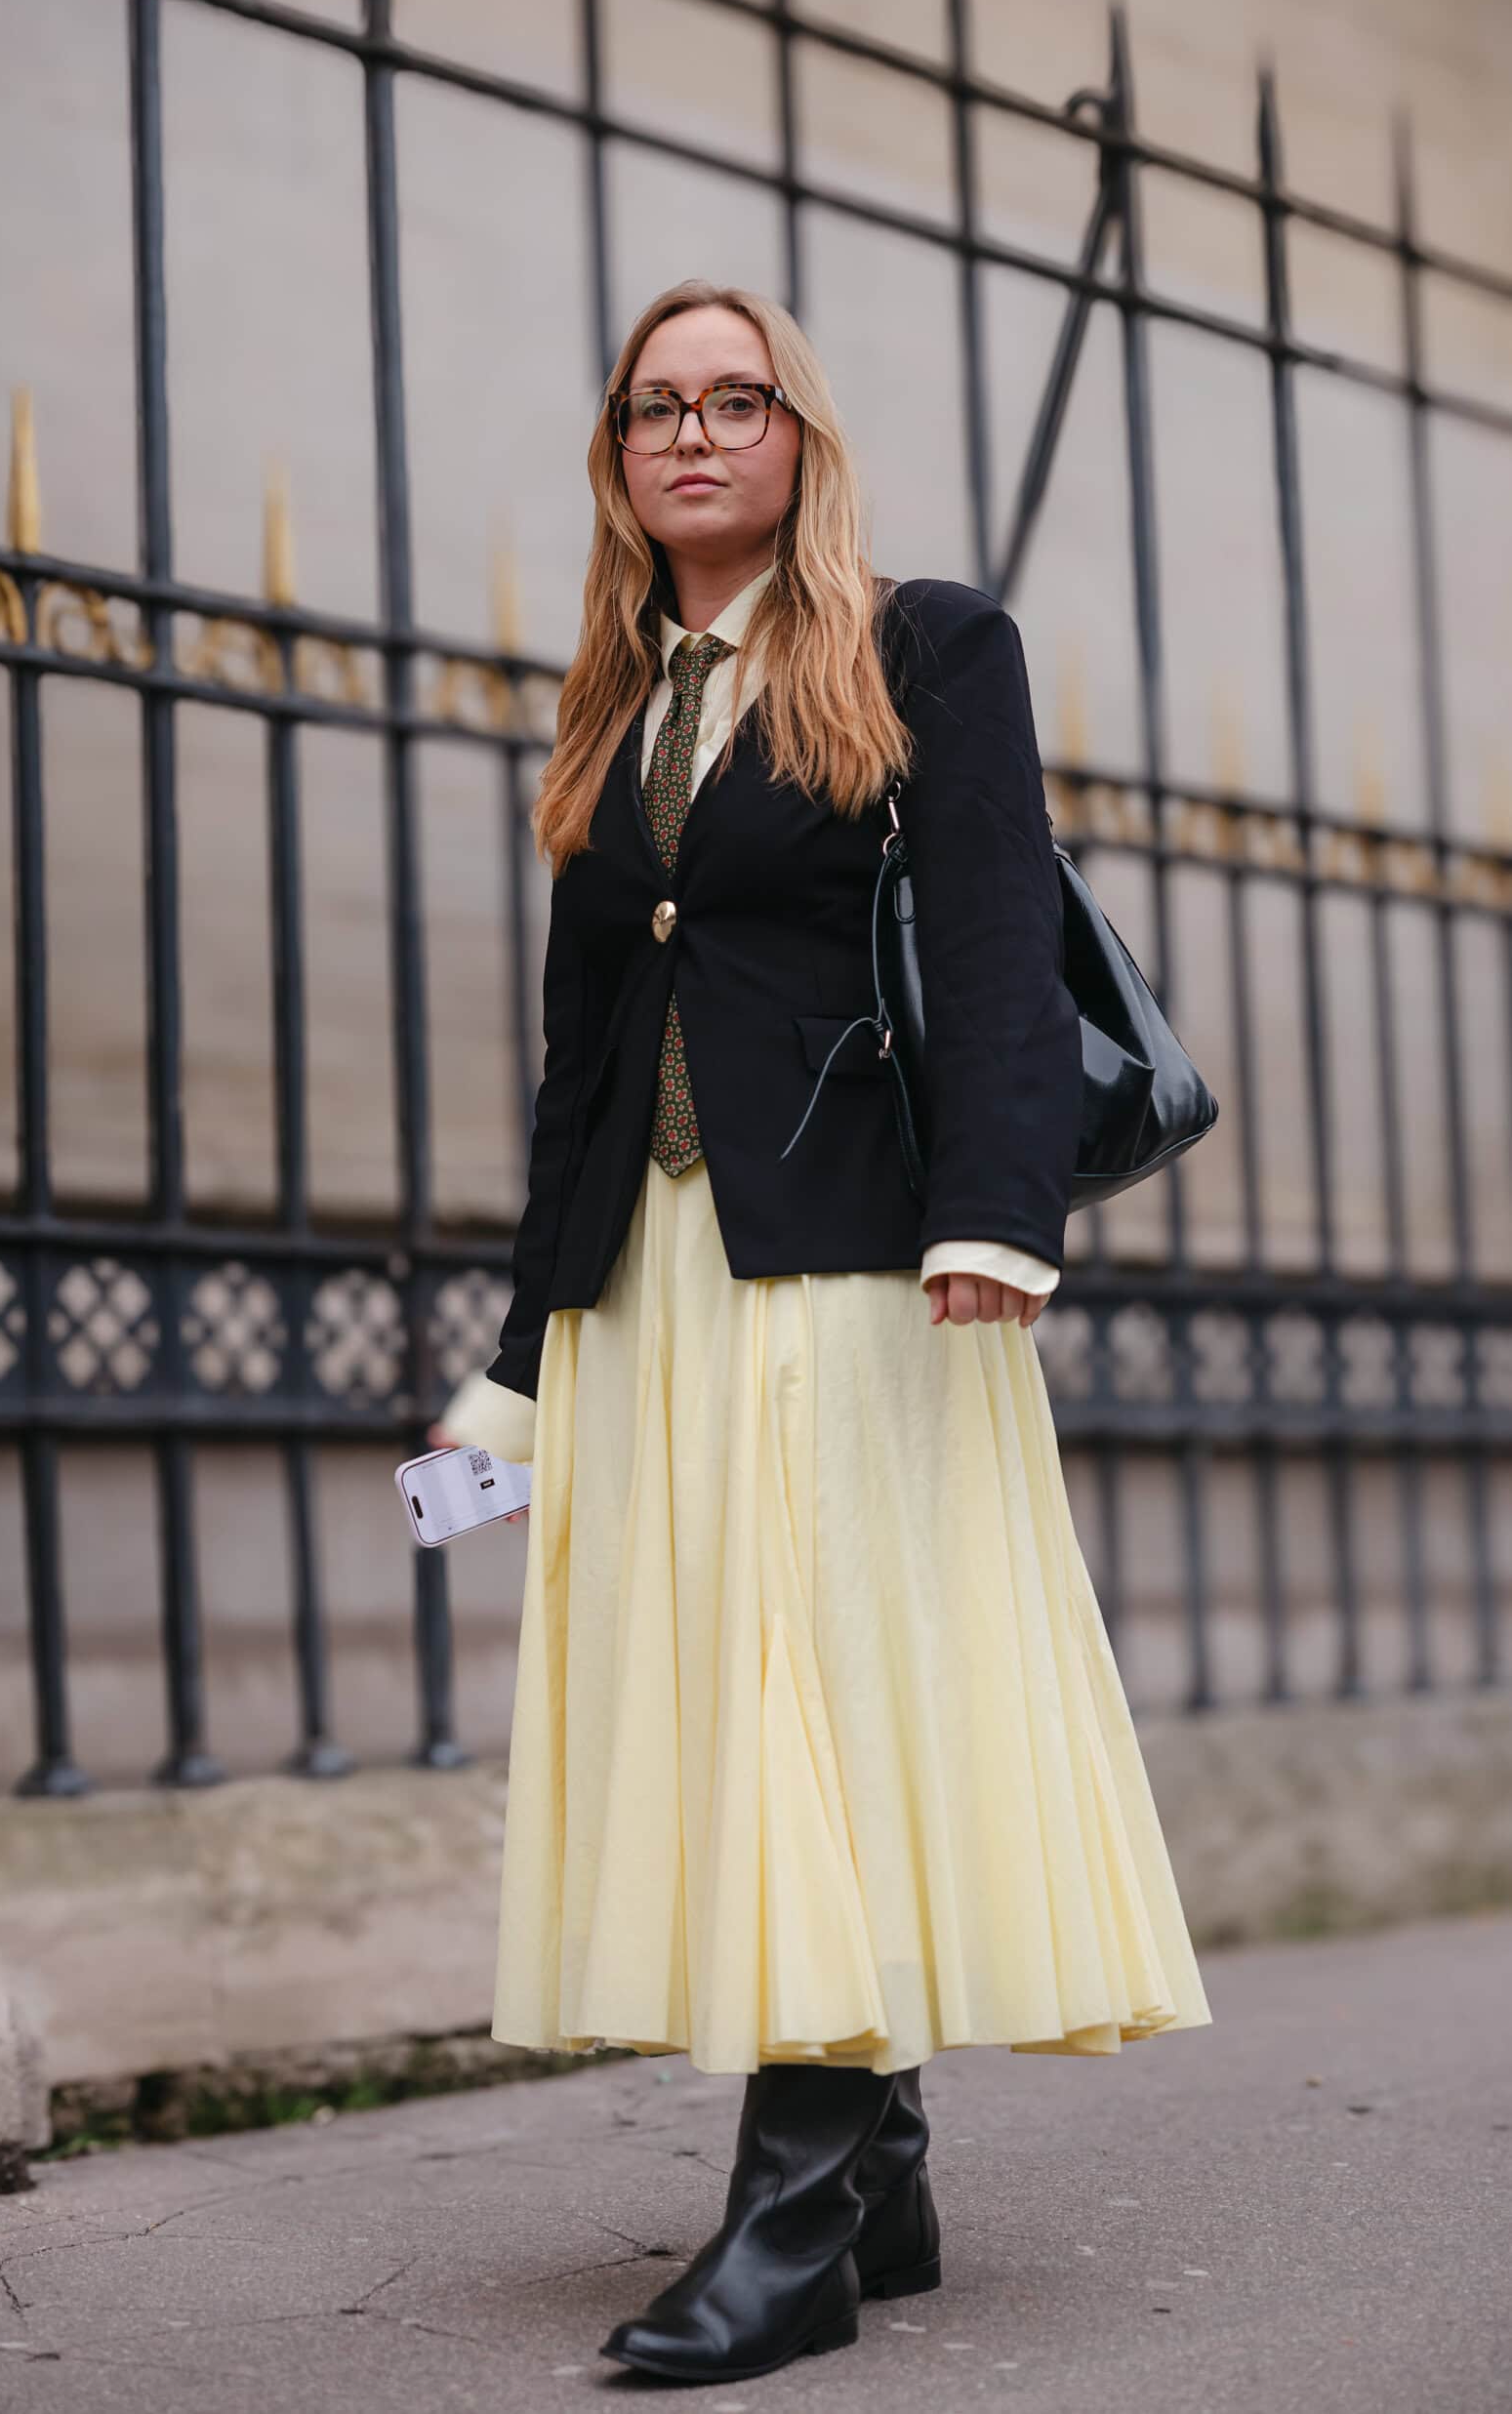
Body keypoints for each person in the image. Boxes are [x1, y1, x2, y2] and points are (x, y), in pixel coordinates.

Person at [429, 277, 1212, 2387]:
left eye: (735, 399)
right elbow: (578, 1062)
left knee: (813, 1699)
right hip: (651, 1290)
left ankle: (795, 2209)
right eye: (654, 408)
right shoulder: (613, 706)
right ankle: (886, 2168)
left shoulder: (924, 644)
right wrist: (513, 1365)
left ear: (799, 432)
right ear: (619, 452)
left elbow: (984, 927)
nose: (694, 435)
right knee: (728, 1700)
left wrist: (997, 1218)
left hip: (863, 1268)